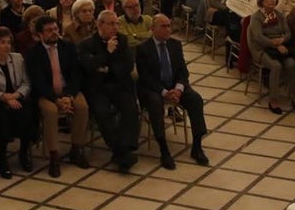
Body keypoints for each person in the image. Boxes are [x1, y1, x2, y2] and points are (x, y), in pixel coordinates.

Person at [135, 14, 210, 169]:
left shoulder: (175, 45)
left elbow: (183, 71)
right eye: (164, 26)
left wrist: (178, 89)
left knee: (196, 99)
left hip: (175, 86)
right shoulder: (143, 49)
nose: (168, 29)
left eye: (169, 25)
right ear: (153, 29)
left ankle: (197, 146)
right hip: (154, 88)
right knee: (155, 104)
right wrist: (164, 92)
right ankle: (164, 149)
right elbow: (145, 78)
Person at [25, 15, 90, 178]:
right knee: (51, 111)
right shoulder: (33, 53)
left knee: (82, 107)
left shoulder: (68, 47)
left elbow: (76, 74)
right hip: (46, 94)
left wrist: (69, 96)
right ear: (40, 34)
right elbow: (38, 82)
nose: (54, 33)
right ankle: (54, 156)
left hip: (68, 90)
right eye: (49, 30)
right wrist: (57, 100)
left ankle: (76, 148)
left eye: (55, 29)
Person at [79, 11, 141, 173]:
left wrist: (106, 69)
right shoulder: (87, 44)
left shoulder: (122, 39)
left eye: (117, 24)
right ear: (100, 25)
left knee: (130, 107)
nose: (116, 27)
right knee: (102, 112)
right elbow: (88, 67)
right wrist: (107, 52)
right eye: (111, 24)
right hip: (98, 88)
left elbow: (127, 65)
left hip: (119, 84)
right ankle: (122, 152)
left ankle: (123, 150)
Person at [0, 27, 36, 177]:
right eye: (2, 42)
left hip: (16, 98)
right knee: (0, 119)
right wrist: (5, 98)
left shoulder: (17, 58)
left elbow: (26, 83)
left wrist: (15, 95)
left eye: (9, 42)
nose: (7, 46)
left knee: (29, 114)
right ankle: (2, 159)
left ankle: (23, 153)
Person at [247, 0, 295, 115]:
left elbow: (288, 32)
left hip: (280, 46)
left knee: (291, 64)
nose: (272, 0)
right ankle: (273, 100)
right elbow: (258, 37)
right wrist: (275, 45)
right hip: (262, 48)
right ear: (262, 0)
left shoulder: (279, 15)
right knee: (276, 66)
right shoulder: (256, 17)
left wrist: (283, 40)